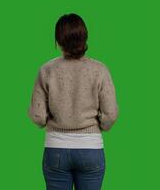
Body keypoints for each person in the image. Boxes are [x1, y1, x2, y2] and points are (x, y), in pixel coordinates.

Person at [28, 13, 118, 190]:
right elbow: (111, 114)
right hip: (90, 148)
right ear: (85, 37)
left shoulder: (46, 70)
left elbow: (38, 116)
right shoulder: (100, 70)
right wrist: (100, 126)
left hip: (56, 149)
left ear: (58, 40)